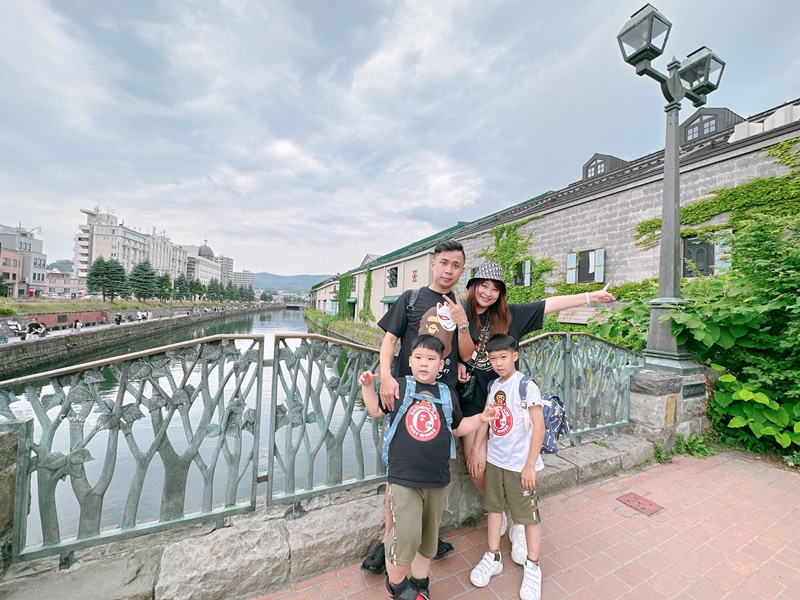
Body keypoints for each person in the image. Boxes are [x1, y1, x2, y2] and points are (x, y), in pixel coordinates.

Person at [460, 261, 615, 557]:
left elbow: (549, 305)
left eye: (495, 288)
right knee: (477, 467)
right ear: (473, 285)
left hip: (509, 403)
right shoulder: (461, 312)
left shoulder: (509, 315)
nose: (488, 292)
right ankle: (501, 510)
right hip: (474, 405)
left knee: (518, 467)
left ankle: (520, 520)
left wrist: (589, 296)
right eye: (483, 285)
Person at [361, 239, 472, 574]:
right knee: (401, 473)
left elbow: (465, 354)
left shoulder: (460, 304)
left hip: (442, 399)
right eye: (444, 263)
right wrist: (386, 376)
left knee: (433, 468)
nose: (449, 270)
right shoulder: (411, 299)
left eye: (456, 265)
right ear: (433, 264)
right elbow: (389, 340)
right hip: (406, 395)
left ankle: (428, 537)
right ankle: (388, 540)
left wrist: (462, 321)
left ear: (462, 270)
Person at [360, 335, 498, 600]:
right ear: (410, 361)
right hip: (403, 477)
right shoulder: (399, 387)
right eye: (419, 358)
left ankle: (420, 581)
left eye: (431, 359)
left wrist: (481, 418)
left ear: (441, 364)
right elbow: (376, 410)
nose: (424, 364)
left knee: (427, 539)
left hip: (436, 479)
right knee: (406, 535)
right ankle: (397, 586)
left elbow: (457, 428)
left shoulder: (448, 395)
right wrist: (367, 386)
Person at [468, 334, 545, 600]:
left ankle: (533, 566)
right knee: (493, 508)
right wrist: (478, 448)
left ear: (515, 355)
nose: (498, 363)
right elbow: (488, 420)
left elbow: (539, 426)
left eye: (503, 357)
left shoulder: (525, 385)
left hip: (519, 463)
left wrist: (530, 465)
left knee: (527, 515)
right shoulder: (493, 385)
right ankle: (493, 555)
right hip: (496, 459)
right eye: (493, 358)